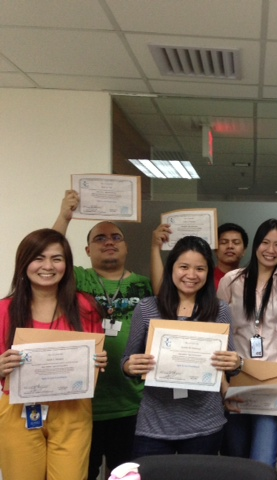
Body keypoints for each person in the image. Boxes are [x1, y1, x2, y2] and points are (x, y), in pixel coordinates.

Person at [53, 189, 153, 479]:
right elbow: (47, 252)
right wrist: (64, 216)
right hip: (84, 405)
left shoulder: (144, 285)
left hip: (132, 404)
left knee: (127, 475)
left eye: (115, 237)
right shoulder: (78, 279)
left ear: (125, 247)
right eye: (100, 238)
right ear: (87, 250)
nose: (109, 242)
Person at [0, 228, 107, 480]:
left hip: (73, 409)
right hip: (17, 408)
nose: (47, 266)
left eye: (56, 258)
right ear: (24, 263)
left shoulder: (85, 306)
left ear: (67, 265)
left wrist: (99, 361)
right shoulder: (5, 310)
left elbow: (95, 358)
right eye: (38, 257)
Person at [122, 236, 241, 457]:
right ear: (171, 268)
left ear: (208, 272)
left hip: (205, 424)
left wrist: (236, 362)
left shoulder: (220, 310)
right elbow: (127, 362)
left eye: (200, 268)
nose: (191, 275)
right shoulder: (147, 308)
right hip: (154, 424)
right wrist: (131, 366)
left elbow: (231, 366)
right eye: (184, 267)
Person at [217, 218, 277, 467]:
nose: (271, 250)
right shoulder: (231, 280)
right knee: (235, 459)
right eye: (265, 242)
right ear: (255, 245)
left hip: (271, 383)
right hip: (236, 378)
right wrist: (223, 387)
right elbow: (220, 334)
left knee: (264, 461)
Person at [214, 223, 248, 289]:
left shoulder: (250, 280)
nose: (230, 246)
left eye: (236, 242)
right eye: (224, 242)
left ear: (244, 250)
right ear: (215, 250)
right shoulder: (205, 279)